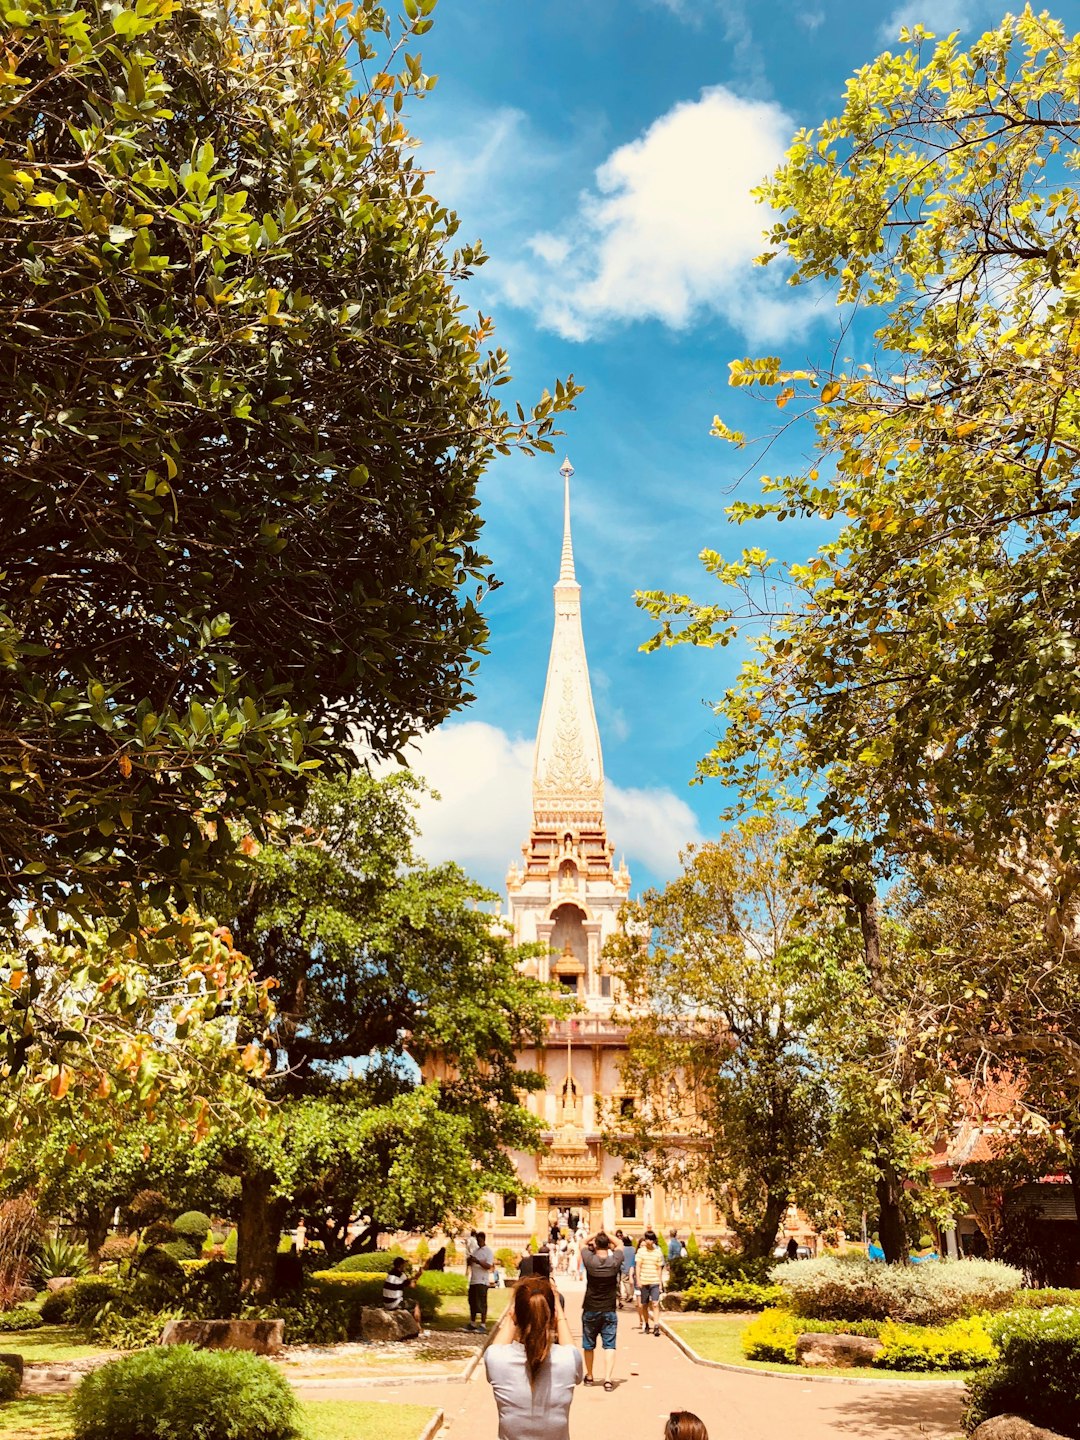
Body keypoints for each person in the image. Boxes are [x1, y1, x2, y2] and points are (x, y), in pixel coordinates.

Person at [484, 1274, 582, 1440]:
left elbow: (497, 1346)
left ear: (515, 1314)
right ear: (552, 1314)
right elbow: (570, 1348)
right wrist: (559, 1314)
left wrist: (512, 1315)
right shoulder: (569, 1359)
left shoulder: (496, 1359)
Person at [580, 1230, 623, 1391]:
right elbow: (620, 1244)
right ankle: (607, 1379)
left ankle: (590, 1375)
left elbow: (582, 1243)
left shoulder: (590, 1261)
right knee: (610, 1345)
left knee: (588, 1344)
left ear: (596, 1245)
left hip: (591, 1307)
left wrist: (595, 1234)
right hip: (609, 1308)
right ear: (609, 1246)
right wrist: (607, 1233)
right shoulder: (614, 1262)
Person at [635, 1230, 663, 1335]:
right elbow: (638, 1266)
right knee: (644, 1304)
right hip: (644, 1280)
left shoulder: (657, 1252)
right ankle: (646, 1323)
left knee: (655, 1303)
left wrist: (660, 1282)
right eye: (646, 1239)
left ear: (654, 1241)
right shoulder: (641, 1252)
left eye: (650, 1239)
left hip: (654, 1280)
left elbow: (659, 1268)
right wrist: (638, 1280)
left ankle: (656, 1325)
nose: (648, 1241)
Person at [466, 1230, 495, 1332]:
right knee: (472, 1302)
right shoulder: (476, 1251)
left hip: (482, 1280)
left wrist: (478, 1261)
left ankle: (483, 1324)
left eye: (479, 1240)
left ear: (483, 1239)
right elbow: (470, 1263)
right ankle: (472, 1322)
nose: (478, 1242)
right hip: (473, 1280)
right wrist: (470, 1260)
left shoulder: (488, 1251)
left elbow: (489, 1266)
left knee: (482, 1302)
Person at [381, 1255, 421, 1323]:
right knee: (415, 1304)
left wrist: (414, 1277)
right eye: (404, 1265)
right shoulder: (401, 1275)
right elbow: (412, 1285)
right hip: (395, 1303)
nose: (405, 1266)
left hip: (386, 1303)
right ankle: (418, 1327)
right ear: (401, 1265)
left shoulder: (390, 1274)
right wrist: (418, 1276)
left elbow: (405, 1281)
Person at [618, 1233, 636, 1308]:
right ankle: (631, 1293)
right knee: (631, 1282)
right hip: (632, 1267)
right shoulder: (633, 1249)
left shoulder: (622, 1249)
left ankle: (629, 1294)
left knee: (625, 1282)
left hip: (624, 1268)